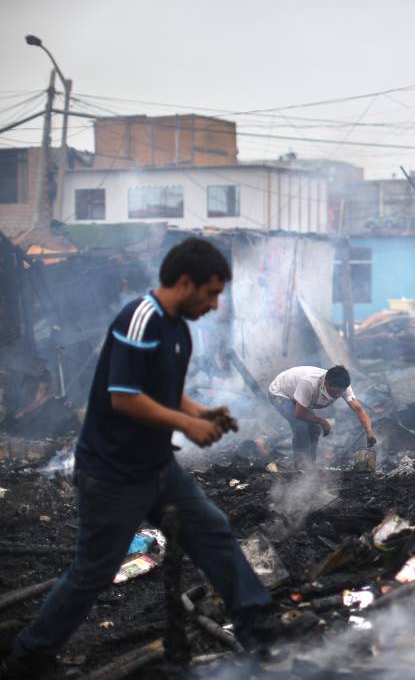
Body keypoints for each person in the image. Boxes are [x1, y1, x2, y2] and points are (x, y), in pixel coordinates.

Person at [1, 238, 313, 680]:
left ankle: (257, 625)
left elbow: (163, 390)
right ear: (185, 283)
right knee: (93, 572)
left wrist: (198, 412)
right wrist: (187, 426)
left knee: (213, 531)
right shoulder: (140, 318)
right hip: (112, 472)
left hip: (155, 467)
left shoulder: (177, 330)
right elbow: (125, 397)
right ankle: (29, 657)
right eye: (210, 293)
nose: (214, 304)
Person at [268, 365, 375, 469]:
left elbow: (359, 410)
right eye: (336, 391)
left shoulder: (343, 386)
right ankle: (300, 467)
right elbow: (299, 414)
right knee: (300, 427)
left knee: (314, 430)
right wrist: (323, 421)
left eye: (341, 391)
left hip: (299, 394)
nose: (338, 395)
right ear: (326, 383)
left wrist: (369, 433)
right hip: (281, 393)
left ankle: (309, 465)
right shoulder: (309, 383)